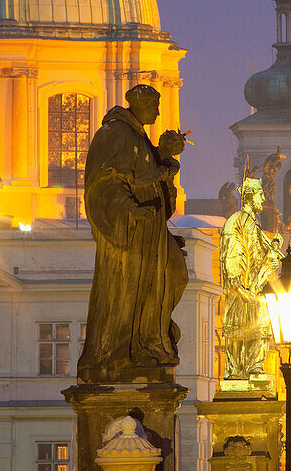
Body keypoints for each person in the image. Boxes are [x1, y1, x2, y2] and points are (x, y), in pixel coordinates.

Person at [77, 84, 188, 383]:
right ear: (140, 103)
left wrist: (165, 154)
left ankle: (151, 339)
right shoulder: (115, 133)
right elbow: (104, 183)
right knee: (136, 289)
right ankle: (128, 349)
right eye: (155, 105)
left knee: (175, 275)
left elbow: (151, 179)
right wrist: (128, 210)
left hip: (149, 229)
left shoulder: (138, 137)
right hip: (130, 231)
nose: (159, 112)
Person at [219, 176, 283, 379]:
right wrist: (240, 289)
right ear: (248, 196)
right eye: (260, 194)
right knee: (240, 331)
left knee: (261, 328)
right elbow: (230, 255)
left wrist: (272, 250)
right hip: (244, 291)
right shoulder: (235, 221)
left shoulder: (253, 224)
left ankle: (255, 368)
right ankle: (239, 371)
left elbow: (259, 255)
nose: (263, 198)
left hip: (258, 286)